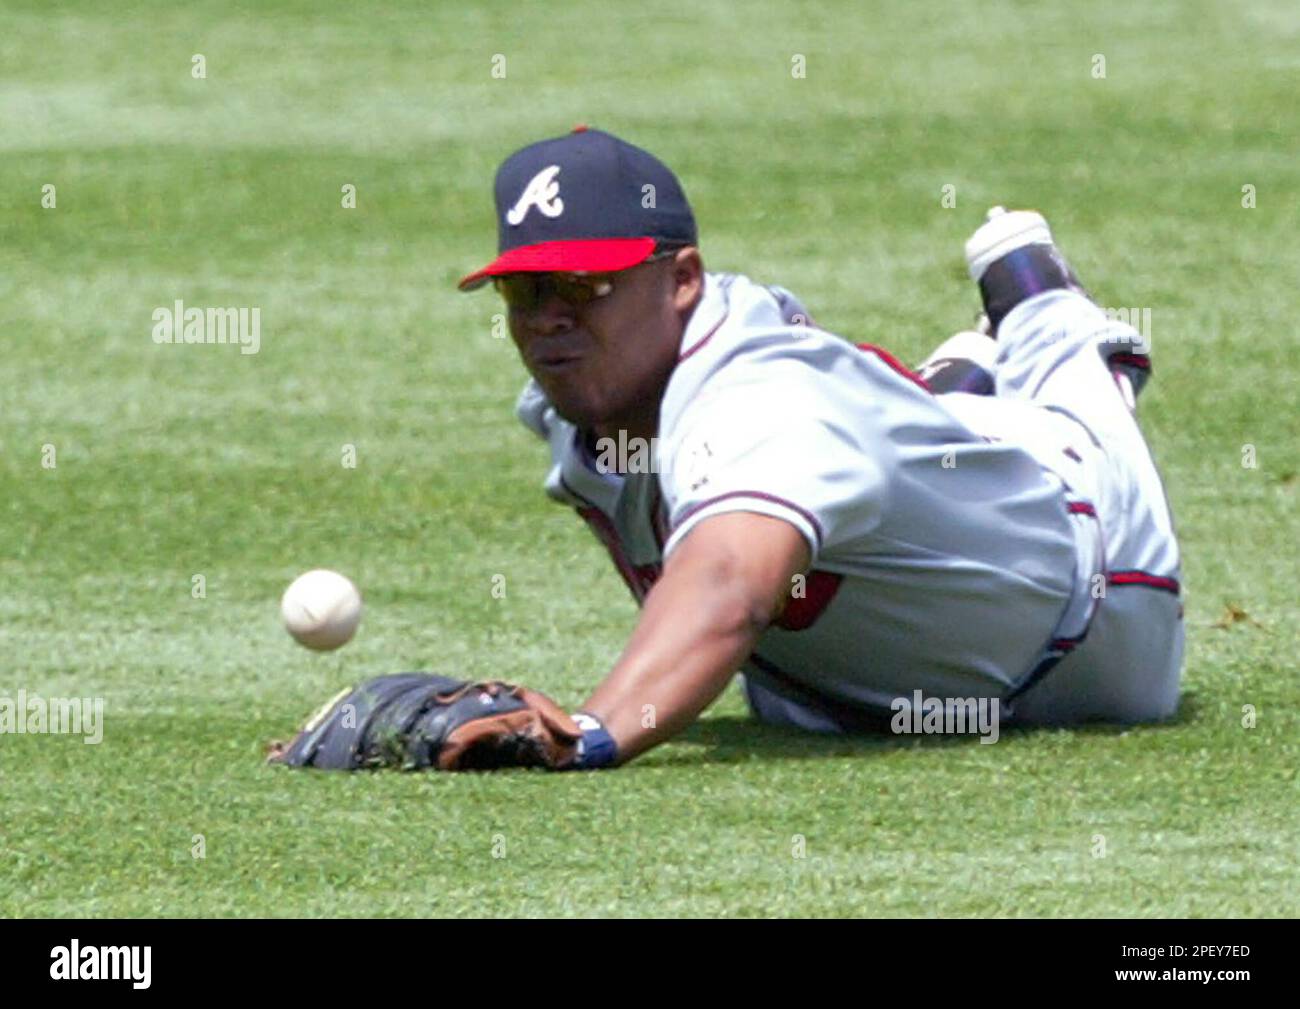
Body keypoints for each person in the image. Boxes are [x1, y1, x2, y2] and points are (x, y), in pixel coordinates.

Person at [272, 126, 1183, 772]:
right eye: (526, 291)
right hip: (846, 688)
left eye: (586, 286)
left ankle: (1029, 303)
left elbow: (729, 588)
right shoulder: (574, 408)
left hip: (1094, 605)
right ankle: (951, 385)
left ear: (681, 279)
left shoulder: (762, 402)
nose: (549, 318)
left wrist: (594, 731)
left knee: (1070, 386)